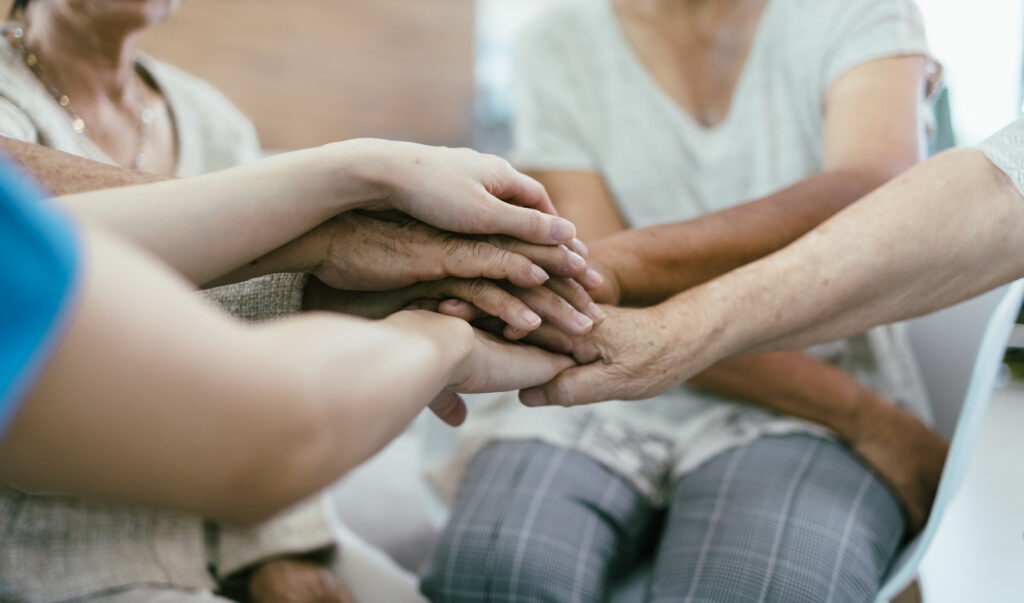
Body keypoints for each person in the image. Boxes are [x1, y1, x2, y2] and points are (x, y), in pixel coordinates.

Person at [0, 1, 595, 600]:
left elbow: (258, 311)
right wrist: (443, 337)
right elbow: (264, 430)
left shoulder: (208, 116)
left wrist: (280, 545)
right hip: (63, 552)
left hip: (236, 514)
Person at [420, 0, 944, 600]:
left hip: (807, 400)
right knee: (492, 577)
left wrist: (625, 265)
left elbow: (879, 199)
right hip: (602, 396)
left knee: (753, 589)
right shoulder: (557, 41)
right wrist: (870, 420)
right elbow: (593, 309)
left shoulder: (857, 12)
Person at [524, 116, 1024, 408]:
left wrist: (671, 329)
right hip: (617, 400)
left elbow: (992, 198)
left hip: (798, 405)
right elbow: (999, 191)